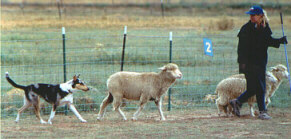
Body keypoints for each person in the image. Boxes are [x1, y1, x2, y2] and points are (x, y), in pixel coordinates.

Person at [230, 5, 288, 120]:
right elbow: (240, 48)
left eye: (253, 15)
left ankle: (237, 101)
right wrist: (242, 63)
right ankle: (262, 112)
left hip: (260, 62)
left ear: (260, 15)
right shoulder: (246, 28)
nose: (251, 17)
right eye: (250, 15)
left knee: (252, 88)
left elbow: (267, 41)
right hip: (248, 63)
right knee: (260, 87)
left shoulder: (265, 27)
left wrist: (280, 41)